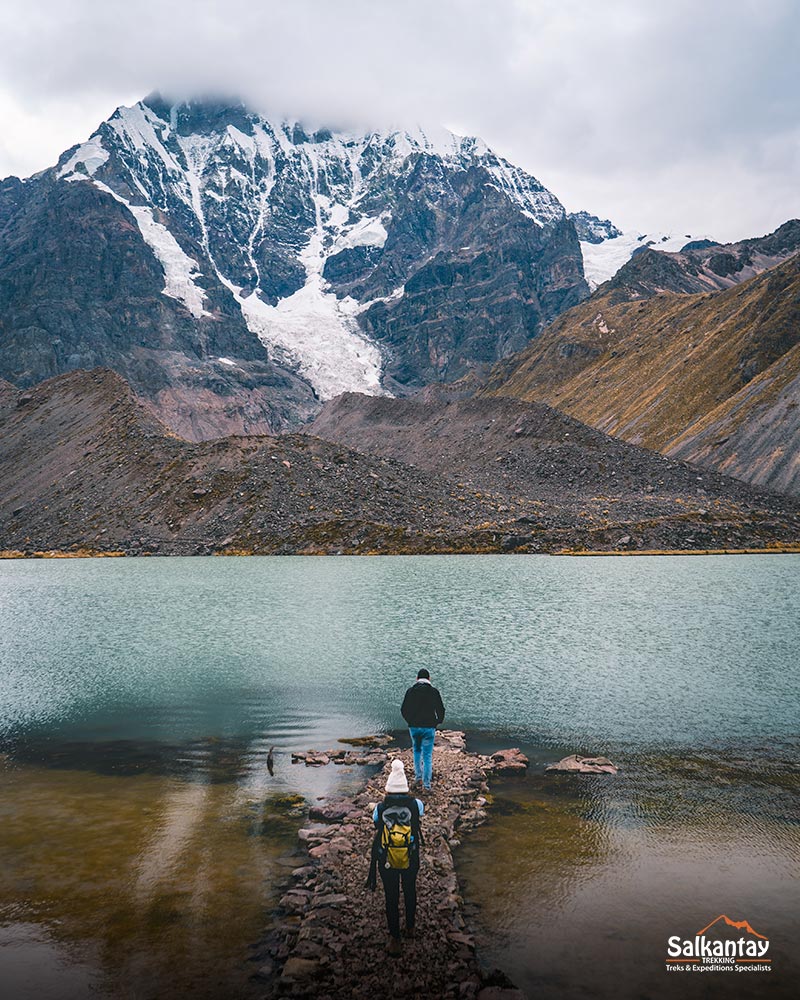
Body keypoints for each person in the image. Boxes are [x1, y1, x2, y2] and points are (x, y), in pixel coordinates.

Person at [366, 759, 424, 956]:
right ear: (406, 787)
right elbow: (420, 818)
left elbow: (375, 824)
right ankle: (410, 928)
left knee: (391, 896)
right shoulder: (416, 804)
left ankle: (395, 939)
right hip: (411, 854)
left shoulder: (381, 808)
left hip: (387, 858)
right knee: (410, 890)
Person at [400, 668, 445, 790]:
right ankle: (427, 785)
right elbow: (441, 710)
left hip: (414, 727)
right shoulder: (434, 692)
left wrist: (410, 721)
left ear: (417, 679)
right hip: (429, 727)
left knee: (417, 751)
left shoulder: (410, 691)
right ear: (429, 679)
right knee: (427, 756)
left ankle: (418, 778)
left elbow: (403, 709)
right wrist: (437, 722)